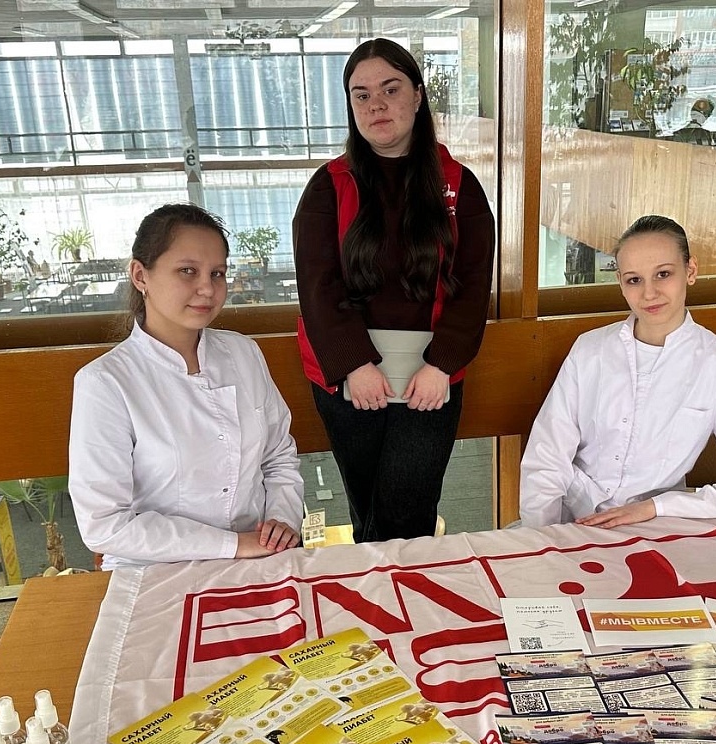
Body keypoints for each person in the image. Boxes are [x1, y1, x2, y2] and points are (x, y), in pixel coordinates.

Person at [293, 38, 495, 543]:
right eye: (361, 95)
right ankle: (381, 589)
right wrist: (355, 365)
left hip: (431, 376)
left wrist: (442, 365)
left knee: (408, 511)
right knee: (366, 510)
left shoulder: (460, 185)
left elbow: (473, 284)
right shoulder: (328, 185)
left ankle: (402, 588)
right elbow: (317, 286)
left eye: (390, 89)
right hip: (350, 379)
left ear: (418, 96)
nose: (376, 105)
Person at [69, 203, 303, 569]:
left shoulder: (244, 354)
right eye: (187, 271)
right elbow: (104, 523)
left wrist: (281, 522)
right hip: (154, 571)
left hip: (257, 559)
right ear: (140, 276)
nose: (207, 289)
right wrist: (233, 545)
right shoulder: (105, 383)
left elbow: (278, 457)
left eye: (217, 273)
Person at [519, 215, 716, 529]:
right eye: (634, 280)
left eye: (663, 274)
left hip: (655, 528)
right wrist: (545, 537)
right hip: (569, 522)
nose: (649, 293)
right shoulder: (590, 349)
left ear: (690, 271)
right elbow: (547, 456)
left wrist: (656, 507)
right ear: (620, 282)